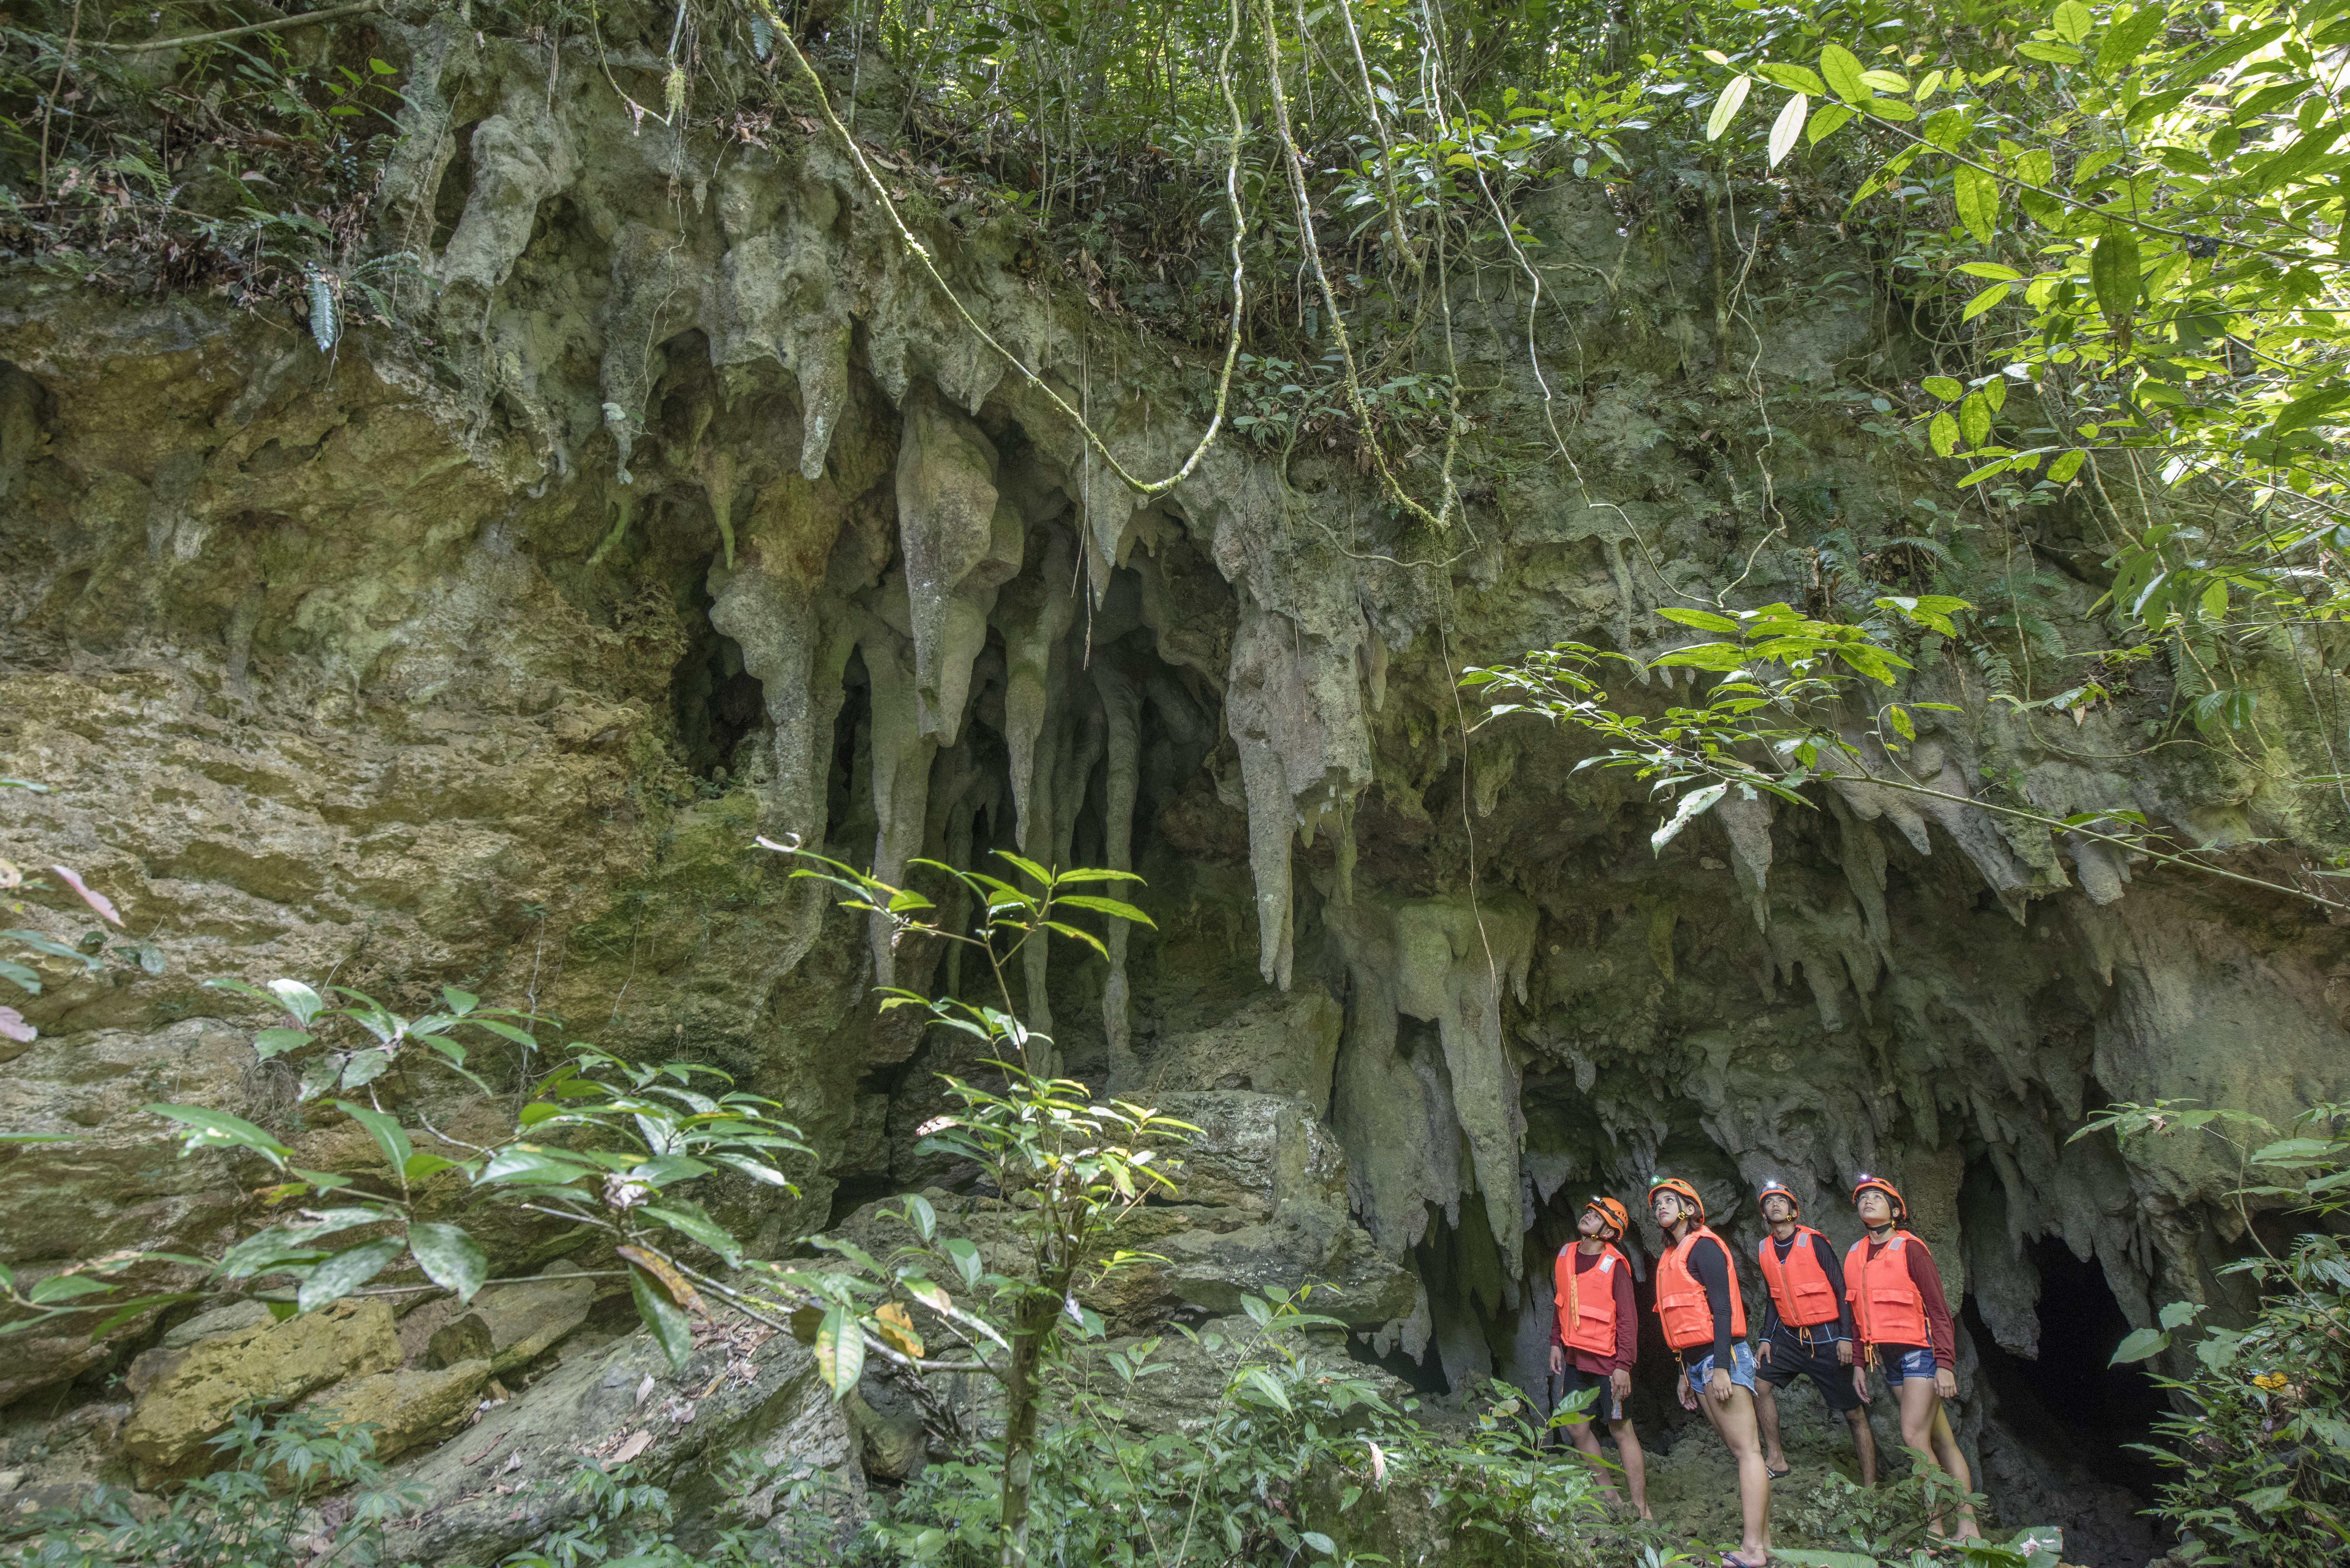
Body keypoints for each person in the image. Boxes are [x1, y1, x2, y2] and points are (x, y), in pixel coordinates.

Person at [1846, 1173, 1982, 1541]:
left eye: (1877, 1197)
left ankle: (1934, 1530)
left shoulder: (1911, 1249)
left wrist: (1945, 1364)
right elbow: (1855, 1315)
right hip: (1888, 1359)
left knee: (1914, 1439)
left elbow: (1939, 1310)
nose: (1868, 1201)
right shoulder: (1855, 1255)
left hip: (1919, 1353)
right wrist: (1858, 1363)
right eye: (1862, 1198)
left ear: (1895, 1211)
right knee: (1941, 1442)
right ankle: (1968, 1526)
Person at [1649, 1176, 1771, 1568]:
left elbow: (1722, 1309)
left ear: (1689, 1208)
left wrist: (1720, 1368)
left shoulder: (1703, 1246)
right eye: (1657, 1203)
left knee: (1747, 1451)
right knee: (1740, 1451)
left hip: (1724, 1358)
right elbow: (1682, 1324)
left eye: (1669, 1200)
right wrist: (1685, 1373)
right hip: (1697, 1363)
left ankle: (1753, 1551)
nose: (1661, 1206)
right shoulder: (1671, 1256)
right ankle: (1764, 1544)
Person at [1751, 1179, 1878, 1486]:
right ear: (1765, 1214)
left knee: (1854, 1414)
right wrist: (1766, 1338)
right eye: (1769, 1202)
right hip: (1789, 1338)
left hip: (1827, 1338)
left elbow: (1841, 1290)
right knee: (1759, 1385)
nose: (1775, 1205)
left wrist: (1846, 1337)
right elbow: (1773, 1297)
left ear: (1793, 1211)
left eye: (1781, 1201)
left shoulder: (1814, 1242)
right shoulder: (1765, 1249)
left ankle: (1871, 1486)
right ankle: (1776, 1459)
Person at [1547, 1195, 1652, 1518]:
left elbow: (1628, 1320)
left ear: (1608, 1232)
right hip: (1576, 1360)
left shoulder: (1615, 1265)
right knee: (1577, 1428)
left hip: (1609, 1364)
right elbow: (1562, 1301)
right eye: (1589, 1211)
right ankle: (1610, 1498)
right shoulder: (1566, 1254)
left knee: (1621, 1430)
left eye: (1597, 1216)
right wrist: (1555, 1342)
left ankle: (1641, 1508)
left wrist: (1624, 1365)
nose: (1588, 1216)